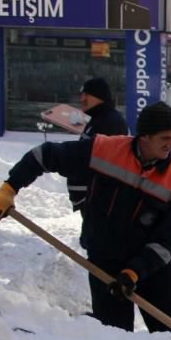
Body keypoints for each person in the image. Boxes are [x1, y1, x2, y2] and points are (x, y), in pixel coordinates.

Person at [0, 101, 171, 334]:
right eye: (165, 138)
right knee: (113, 337)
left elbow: (167, 240)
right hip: (104, 261)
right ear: (145, 135)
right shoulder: (103, 150)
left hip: (151, 267)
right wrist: (10, 188)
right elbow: (44, 156)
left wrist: (135, 271)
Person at [70, 78, 129, 234]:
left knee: (101, 247)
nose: (82, 99)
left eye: (86, 94)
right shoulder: (97, 120)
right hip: (90, 199)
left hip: (99, 201)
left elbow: (110, 164)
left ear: (99, 97)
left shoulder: (110, 122)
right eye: (81, 94)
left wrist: (93, 196)